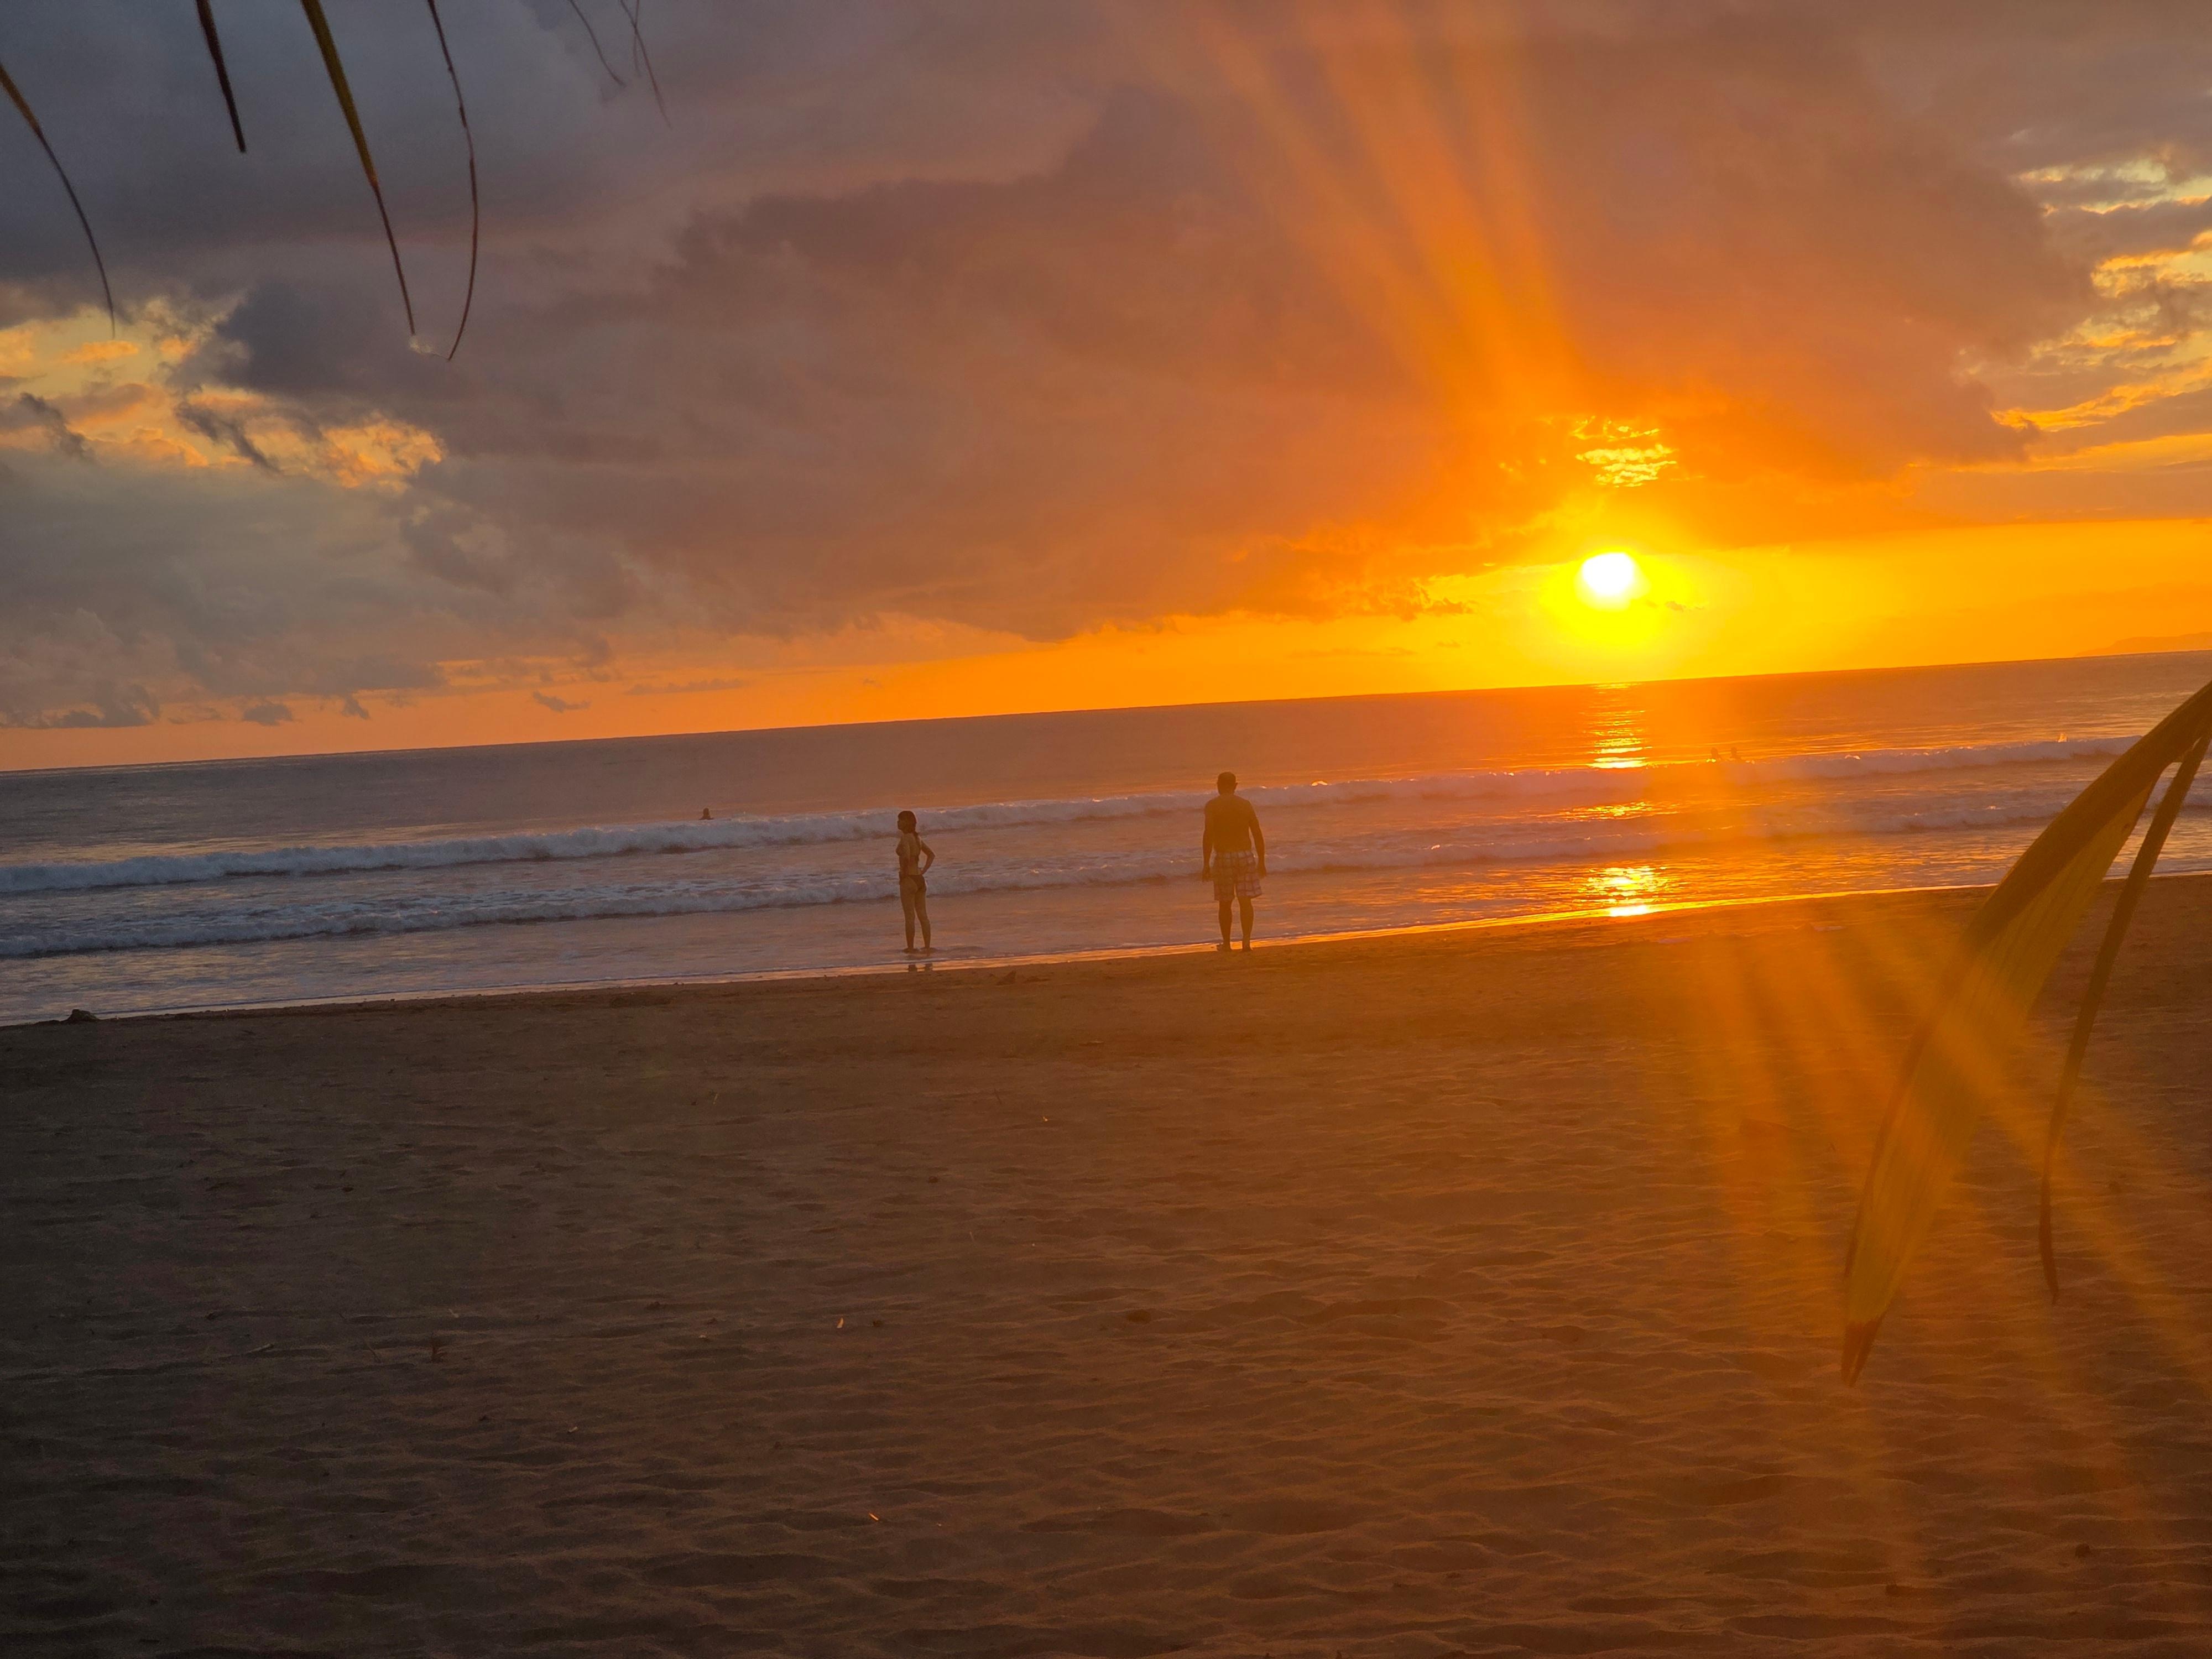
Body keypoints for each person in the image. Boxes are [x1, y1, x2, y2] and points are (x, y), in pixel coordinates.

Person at [1201, 770, 1265, 952]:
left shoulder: (1212, 806)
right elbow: (1257, 833)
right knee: (1246, 902)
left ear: (1218, 785)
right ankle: (1246, 943)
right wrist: (1262, 860)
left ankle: (1227, 944)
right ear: (1236, 786)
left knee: (1225, 902)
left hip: (1223, 857)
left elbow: (1209, 835)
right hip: (1244, 855)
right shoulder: (1245, 805)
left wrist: (1206, 863)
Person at [895, 810, 935, 954]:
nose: (898, 822)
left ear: (907, 822)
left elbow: (906, 857)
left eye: (900, 820)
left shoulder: (906, 838)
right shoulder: (917, 838)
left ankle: (911, 948)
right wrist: (923, 871)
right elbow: (931, 855)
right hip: (919, 879)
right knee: (923, 915)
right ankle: (927, 946)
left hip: (909, 879)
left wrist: (904, 875)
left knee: (910, 916)